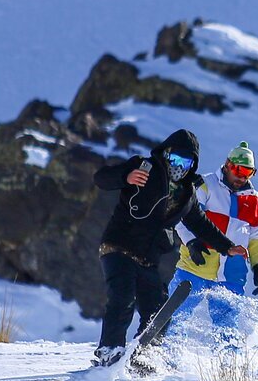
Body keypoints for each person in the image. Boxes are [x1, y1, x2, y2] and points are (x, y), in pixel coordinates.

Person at [92, 129, 247, 366]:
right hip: (118, 246)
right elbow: (102, 178)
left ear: (192, 165)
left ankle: (145, 356)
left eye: (186, 162)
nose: (179, 166)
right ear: (165, 154)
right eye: (174, 159)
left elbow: (200, 223)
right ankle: (110, 350)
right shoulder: (144, 167)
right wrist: (126, 177)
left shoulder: (187, 192)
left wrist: (227, 247)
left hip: (147, 257)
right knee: (122, 298)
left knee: (158, 310)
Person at [169, 141, 258, 341]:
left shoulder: (254, 199)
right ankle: (166, 360)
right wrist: (190, 242)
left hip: (231, 272)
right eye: (238, 169)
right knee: (177, 316)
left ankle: (229, 368)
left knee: (227, 327)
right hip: (196, 263)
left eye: (248, 172)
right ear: (227, 165)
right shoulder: (205, 185)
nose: (241, 176)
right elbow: (183, 216)